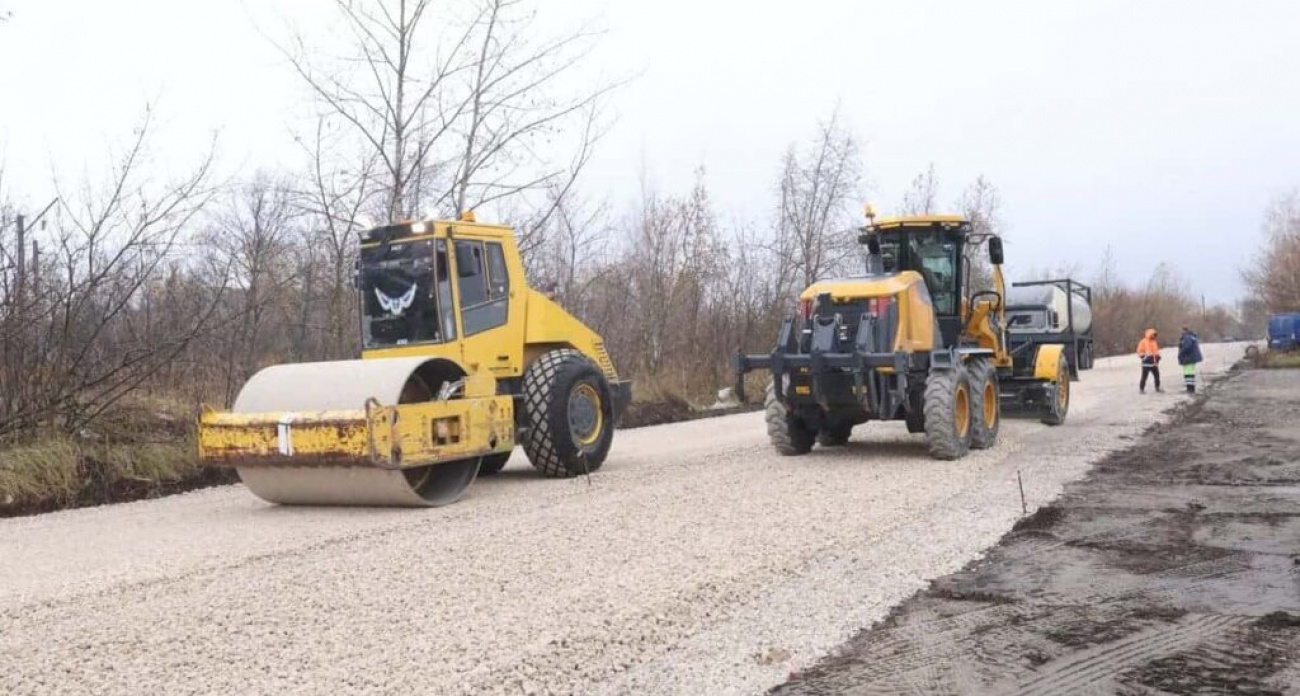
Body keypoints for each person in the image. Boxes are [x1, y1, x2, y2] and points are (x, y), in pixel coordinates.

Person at [1178, 326, 1204, 393]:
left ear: (1184, 331)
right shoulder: (1192, 337)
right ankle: (1191, 388)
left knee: (1188, 373)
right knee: (1190, 373)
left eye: (1182, 331)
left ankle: (1190, 389)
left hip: (1188, 358)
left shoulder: (1187, 337)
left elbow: (1187, 347)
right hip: (1192, 358)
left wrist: (1181, 353)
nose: (1181, 332)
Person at [1137, 328, 1162, 393]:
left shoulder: (1154, 342)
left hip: (1154, 363)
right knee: (1144, 377)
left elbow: (1156, 351)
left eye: (1155, 335)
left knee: (1157, 376)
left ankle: (1157, 388)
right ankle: (1141, 389)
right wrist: (1145, 356)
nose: (1155, 336)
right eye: (1154, 335)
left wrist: (1158, 356)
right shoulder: (1143, 341)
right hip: (1146, 363)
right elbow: (1139, 351)